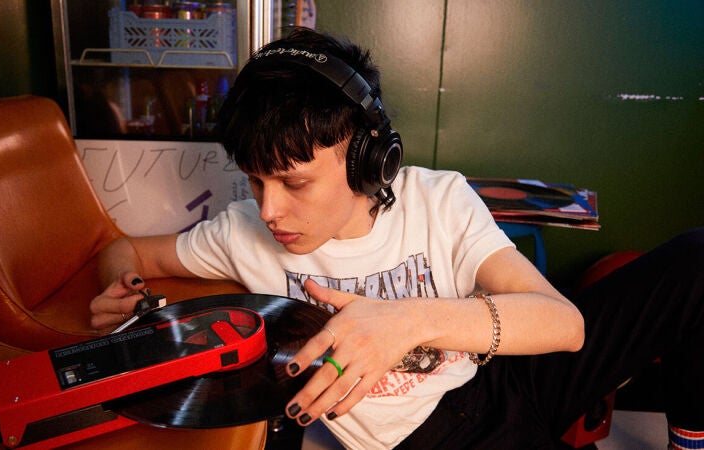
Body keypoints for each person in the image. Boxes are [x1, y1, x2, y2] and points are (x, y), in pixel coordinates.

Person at [90, 28, 704, 449]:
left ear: (368, 160)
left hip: (514, 376)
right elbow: (128, 249)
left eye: (294, 182)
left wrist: (407, 322)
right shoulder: (241, 232)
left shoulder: (439, 198)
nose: (270, 210)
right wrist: (120, 288)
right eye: (255, 180)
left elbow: (563, 325)